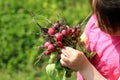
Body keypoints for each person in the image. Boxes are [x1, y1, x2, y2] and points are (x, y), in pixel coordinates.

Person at [60, 0, 120, 80]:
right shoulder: (99, 18)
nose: (97, 24)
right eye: (95, 13)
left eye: (107, 25)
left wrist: (84, 67)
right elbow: (84, 41)